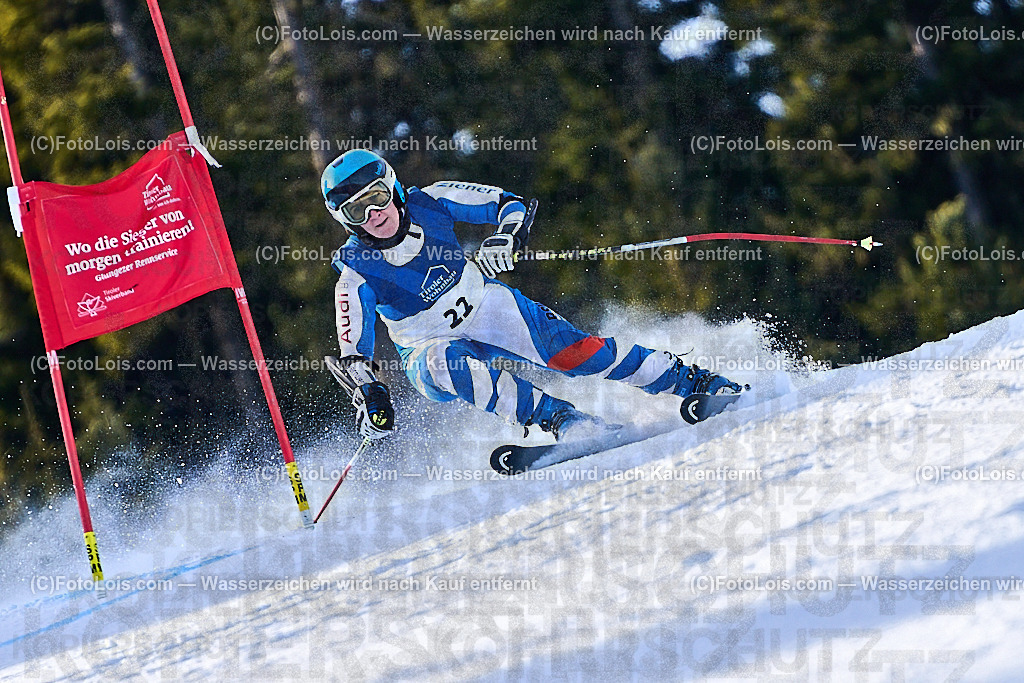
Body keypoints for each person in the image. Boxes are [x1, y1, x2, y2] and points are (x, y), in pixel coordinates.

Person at [322, 149, 742, 442]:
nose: (374, 214)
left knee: (576, 355)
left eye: (376, 198)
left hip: (484, 305)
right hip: (425, 348)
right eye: (357, 211)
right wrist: (371, 394)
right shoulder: (355, 269)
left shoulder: (432, 201)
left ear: (392, 188)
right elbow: (353, 352)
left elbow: (508, 203)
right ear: (345, 220)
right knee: (444, 364)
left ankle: (697, 383)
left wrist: (504, 238)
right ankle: (562, 420)